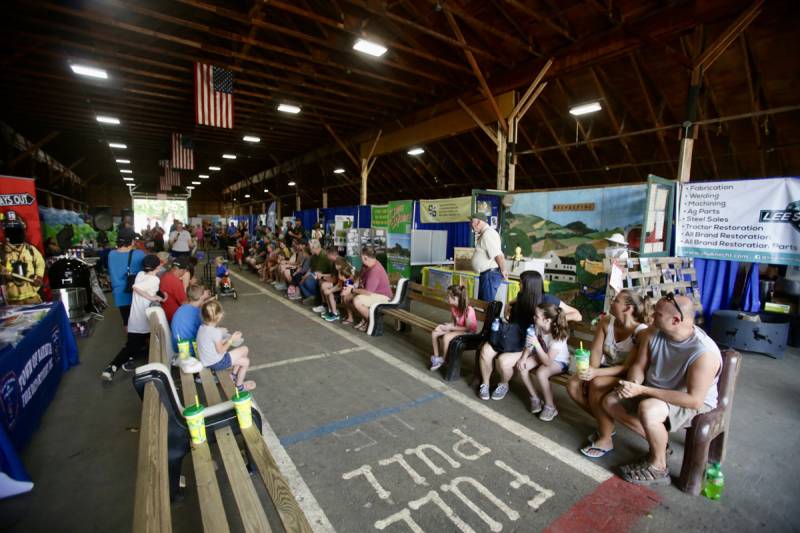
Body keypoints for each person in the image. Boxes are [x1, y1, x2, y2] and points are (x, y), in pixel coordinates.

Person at [602, 293, 722, 486]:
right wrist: (633, 383)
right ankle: (659, 445)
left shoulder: (703, 353)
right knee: (610, 402)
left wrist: (642, 391)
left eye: (657, 314)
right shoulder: (652, 332)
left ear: (675, 320)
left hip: (687, 398)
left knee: (648, 409)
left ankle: (658, 466)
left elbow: (694, 400)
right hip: (655, 390)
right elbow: (639, 366)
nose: (651, 316)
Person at [567, 290, 650, 458]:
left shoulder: (641, 332)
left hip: (626, 376)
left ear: (627, 308)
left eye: (616, 300)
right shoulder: (605, 322)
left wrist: (595, 374)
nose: (611, 301)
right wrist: (589, 371)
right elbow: (595, 354)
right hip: (603, 369)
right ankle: (606, 424)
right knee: (573, 384)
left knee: (597, 384)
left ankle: (605, 439)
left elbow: (627, 367)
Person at [477, 270, 581, 401]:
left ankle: (504, 383)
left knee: (503, 362)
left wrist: (554, 320)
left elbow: (577, 315)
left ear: (529, 286)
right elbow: (511, 302)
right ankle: (485, 384)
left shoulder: (547, 299)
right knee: (485, 352)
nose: (519, 285)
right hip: (509, 336)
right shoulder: (521, 295)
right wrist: (508, 305)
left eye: (521, 283)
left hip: (527, 343)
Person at [101, 254, 165, 380]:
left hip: (134, 319)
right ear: (157, 266)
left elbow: (146, 288)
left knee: (132, 346)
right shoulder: (154, 280)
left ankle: (112, 368)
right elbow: (136, 287)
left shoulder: (141, 274)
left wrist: (159, 295)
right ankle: (158, 369)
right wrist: (152, 297)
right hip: (145, 320)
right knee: (156, 341)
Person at [508, 303, 571, 421]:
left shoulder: (558, 335)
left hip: (560, 362)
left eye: (536, 316)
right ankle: (535, 398)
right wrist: (523, 358)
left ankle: (550, 406)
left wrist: (536, 344)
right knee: (523, 366)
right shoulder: (538, 326)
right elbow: (530, 344)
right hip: (543, 354)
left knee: (542, 372)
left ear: (547, 320)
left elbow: (547, 362)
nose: (534, 318)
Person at [196, 300, 255, 391]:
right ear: (219, 317)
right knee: (246, 361)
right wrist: (231, 339)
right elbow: (221, 351)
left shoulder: (202, 327)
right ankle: (239, 386)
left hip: (206, 361)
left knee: (245, 350)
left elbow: (210, 343)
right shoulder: (215, 332)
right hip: (217, 363)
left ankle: (233, 375)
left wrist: (223, 338)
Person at [429, 285, 478, 371]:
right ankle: (436, 358)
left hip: (469, 333)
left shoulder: (468, 310)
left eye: (448, 296)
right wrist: (446, 326)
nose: (447, 298)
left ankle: (443, 359)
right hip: (458, 328)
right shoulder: (453, 307)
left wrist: (451, 327)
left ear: (456, 298)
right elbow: (454, 322)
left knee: (446, 337)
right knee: (435, 333)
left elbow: (467, 328)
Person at [1, 212, 45, 305]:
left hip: (32, 298)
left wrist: (39, 276)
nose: (15, 233)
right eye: (11, 231)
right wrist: (3, 272)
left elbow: (40, 264)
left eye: (17, 230)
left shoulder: (30, 250)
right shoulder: (2, 251)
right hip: (12, 301)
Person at [107, 227, 145, 329]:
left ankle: (130, 341)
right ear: (131, 241)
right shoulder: (139, 254)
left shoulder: (111, 254)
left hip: (119, 293)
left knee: (126, 321)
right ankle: (138, 342)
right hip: (135, 292)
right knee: (140, 320)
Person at [348, 246, 392, 332]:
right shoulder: (367, 264)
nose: (360, 260)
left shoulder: (375, 271)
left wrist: (352, 290)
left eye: (361, 258)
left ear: (365, 258)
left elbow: (368, 292)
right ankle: (364, 319)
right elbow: (360, 274)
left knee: (357, 300)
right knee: (347, 297)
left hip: (384, 297)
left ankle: (373, 323)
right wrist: (355, 283)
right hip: (374, 293)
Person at [470, 212, 506, 302]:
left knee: (486, 305)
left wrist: (503, 270)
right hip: (487, 275)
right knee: (483, 304)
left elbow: (498, 255)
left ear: (478, 222)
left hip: (489, 275)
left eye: (472, 222)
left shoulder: (488, 234)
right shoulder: (486, 233)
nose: (470, 225)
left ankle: (490, 317)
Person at [171, 284, 211, 357]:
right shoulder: (198, 314)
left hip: (177, 346)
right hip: (188, 351)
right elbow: (205, 332)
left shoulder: (181, 308)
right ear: (201, 297)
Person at [298, 239, 333, 305]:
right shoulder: (314, 256)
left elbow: (319, 272)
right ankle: (312, 297)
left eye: (310, 247)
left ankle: (316, 298)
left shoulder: (323, 255)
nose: (309, 249)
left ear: (314, 248)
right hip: (315, 274)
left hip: (323, 275)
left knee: (308, 281)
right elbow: (311, 268)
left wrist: (306, 277)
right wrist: (304, 277)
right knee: (301, 281)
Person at [159, 255, 190, 322]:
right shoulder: (175, 282)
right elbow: (184, 303)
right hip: (174, 315)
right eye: (185, 270)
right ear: (180, 270)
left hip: (165, 311)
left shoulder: (165, 275)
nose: (185, 272)